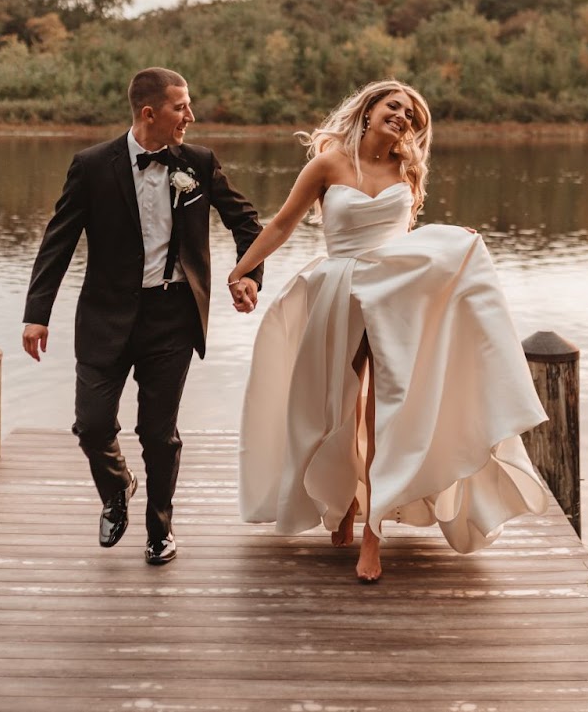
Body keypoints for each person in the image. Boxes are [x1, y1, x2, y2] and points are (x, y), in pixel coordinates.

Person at [229, 79, 552, 581]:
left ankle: (372, 536)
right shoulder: (328, 163)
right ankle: (339, 505)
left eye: (412, 117)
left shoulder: (406, 169)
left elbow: (404, 238)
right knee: (331, 406)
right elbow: (280, 225)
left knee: (385, 411)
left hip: (394, 297)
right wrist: (241, 272)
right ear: (370, 107)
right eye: (394, 106)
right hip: (338, 291)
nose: (402, 117)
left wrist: (452, 241)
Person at [22, 67, 264, 565]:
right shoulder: (91, 166)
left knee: (158, 433)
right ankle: (116, 489)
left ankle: (160, 530)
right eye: (181, 107)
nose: (190, 117)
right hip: (104, 316)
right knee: (91, 426)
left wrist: (250, 276)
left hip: (173, 318)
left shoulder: (198, 163)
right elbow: (58, 240)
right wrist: (37, 313)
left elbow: (247, 222)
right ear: (149, 113)